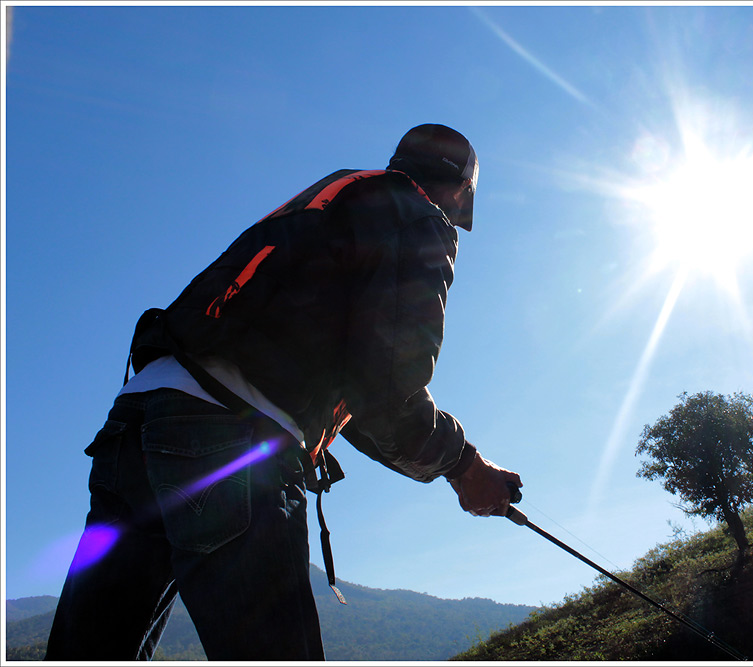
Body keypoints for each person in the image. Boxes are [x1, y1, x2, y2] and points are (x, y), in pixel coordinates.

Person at [44, 124, 522, 661]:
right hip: (230, 440)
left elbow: (359, 399)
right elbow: (386, 394)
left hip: (133, 428)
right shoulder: (415, 217)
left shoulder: (332, 198)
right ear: (460, 190)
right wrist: (464, 467)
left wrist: (458, 468)